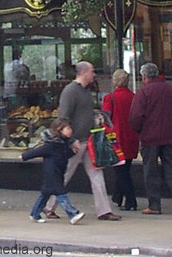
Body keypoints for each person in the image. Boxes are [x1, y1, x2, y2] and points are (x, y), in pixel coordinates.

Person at [47, 61, 120, 222]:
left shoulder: (86, 91)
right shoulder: (70, 91)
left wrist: (96, 116)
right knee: (65, 174)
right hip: (75, 141)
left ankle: (104, 210)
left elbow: (82, 113)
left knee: (96, 173)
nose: (94, 75)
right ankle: (48, 206)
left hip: (88, 139)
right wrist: (70, 139)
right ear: (84, 72)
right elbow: (63, 117)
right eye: (92, 71)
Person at [129, 62, 172, 216]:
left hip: (150, 138)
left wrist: (139, 130)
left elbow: (135, 116)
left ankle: (154, 205)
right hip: (169, 136)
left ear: (144, 77)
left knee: (151, 171)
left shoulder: (143, 93)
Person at [21, 118, 85, 225]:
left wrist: (73, 152)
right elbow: (37, 152)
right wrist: (24, 156)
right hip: (52, 173)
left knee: (45, 194)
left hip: (58, 172)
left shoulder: (63, 144)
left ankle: (34, 214)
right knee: (61, 193)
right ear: (60, 130)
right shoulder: (51, 145)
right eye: (68, 128)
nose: (70, 130)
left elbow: (63, 155)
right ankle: (72, 214)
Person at [102, 68, 139, 211]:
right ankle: (118, 196)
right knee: (125, 167)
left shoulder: (109, 98)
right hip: (131, 137)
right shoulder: (134, 97)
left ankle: (131, 201)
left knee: (121, 171)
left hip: (115, 138)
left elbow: (106, 118)